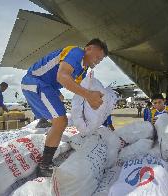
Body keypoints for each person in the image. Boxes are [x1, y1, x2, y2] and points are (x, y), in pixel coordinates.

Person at [21, 38, 108, 177]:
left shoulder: (83, 70)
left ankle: (44, 122)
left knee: (59, 103)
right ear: (89, 48)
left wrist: (89, 101)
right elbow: (62, 77)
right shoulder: (76, 52)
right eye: (98, 57)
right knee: (61, 121)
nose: (98, 61)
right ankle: (44, 165)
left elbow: (77, 89)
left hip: (48, 87)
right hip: (35, 81)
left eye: (101, 60)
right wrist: (89, 95)